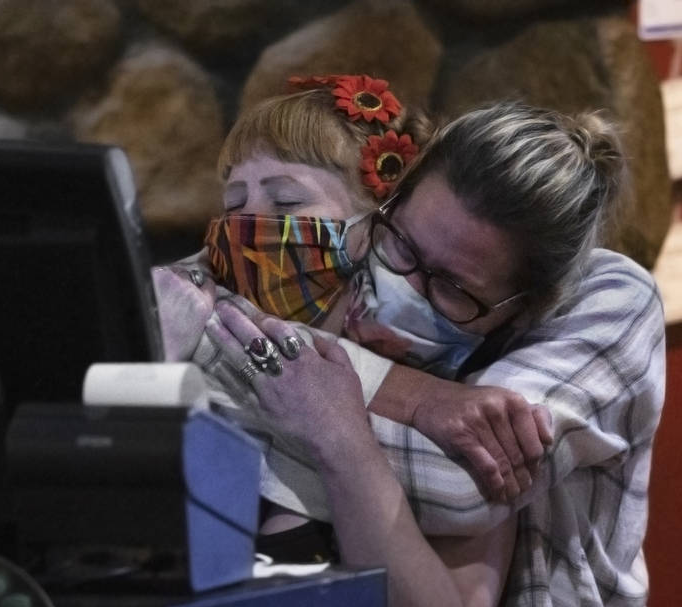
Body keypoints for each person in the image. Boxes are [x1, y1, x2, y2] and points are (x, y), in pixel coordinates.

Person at [206, 101, 666, 607]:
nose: (403, 286)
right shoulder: (335, 309)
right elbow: (174, 298)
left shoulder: (562, 328)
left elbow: (464, 485)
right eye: (402, 247)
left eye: (451, 286)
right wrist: (402, 394)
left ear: (521, 312)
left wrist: (323, 423)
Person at [154, 75, 553, 562]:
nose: (245, 223)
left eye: (286, 202)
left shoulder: (429, 363)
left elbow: (467, 491)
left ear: (375, 229)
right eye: (234, 203)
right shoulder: (187, 302)